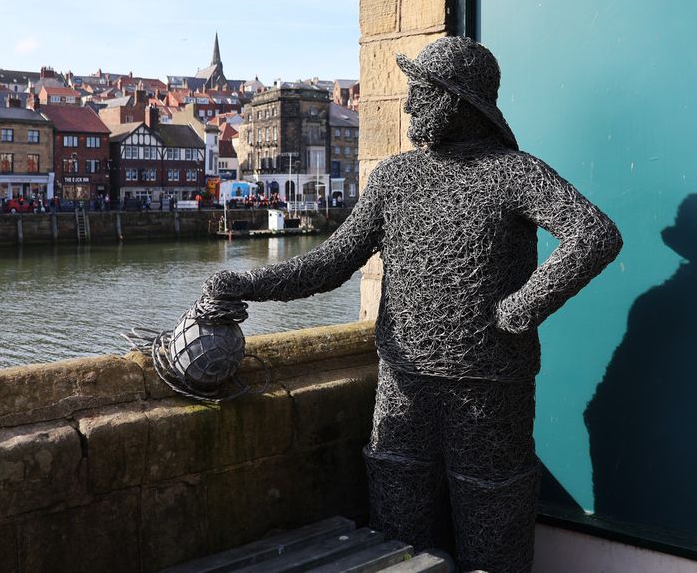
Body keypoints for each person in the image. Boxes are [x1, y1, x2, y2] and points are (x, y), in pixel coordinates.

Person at [198, 37, 623, 572]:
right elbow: (329, 265)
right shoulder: (394, 180)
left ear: (461, 102)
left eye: (424, 92)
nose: (409, 104)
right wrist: (242, 284)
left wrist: (519, 311)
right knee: (397, 534)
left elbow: (594, 235)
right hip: (403, 383)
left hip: (489, 388)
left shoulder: (513, 171)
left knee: (494, 526)